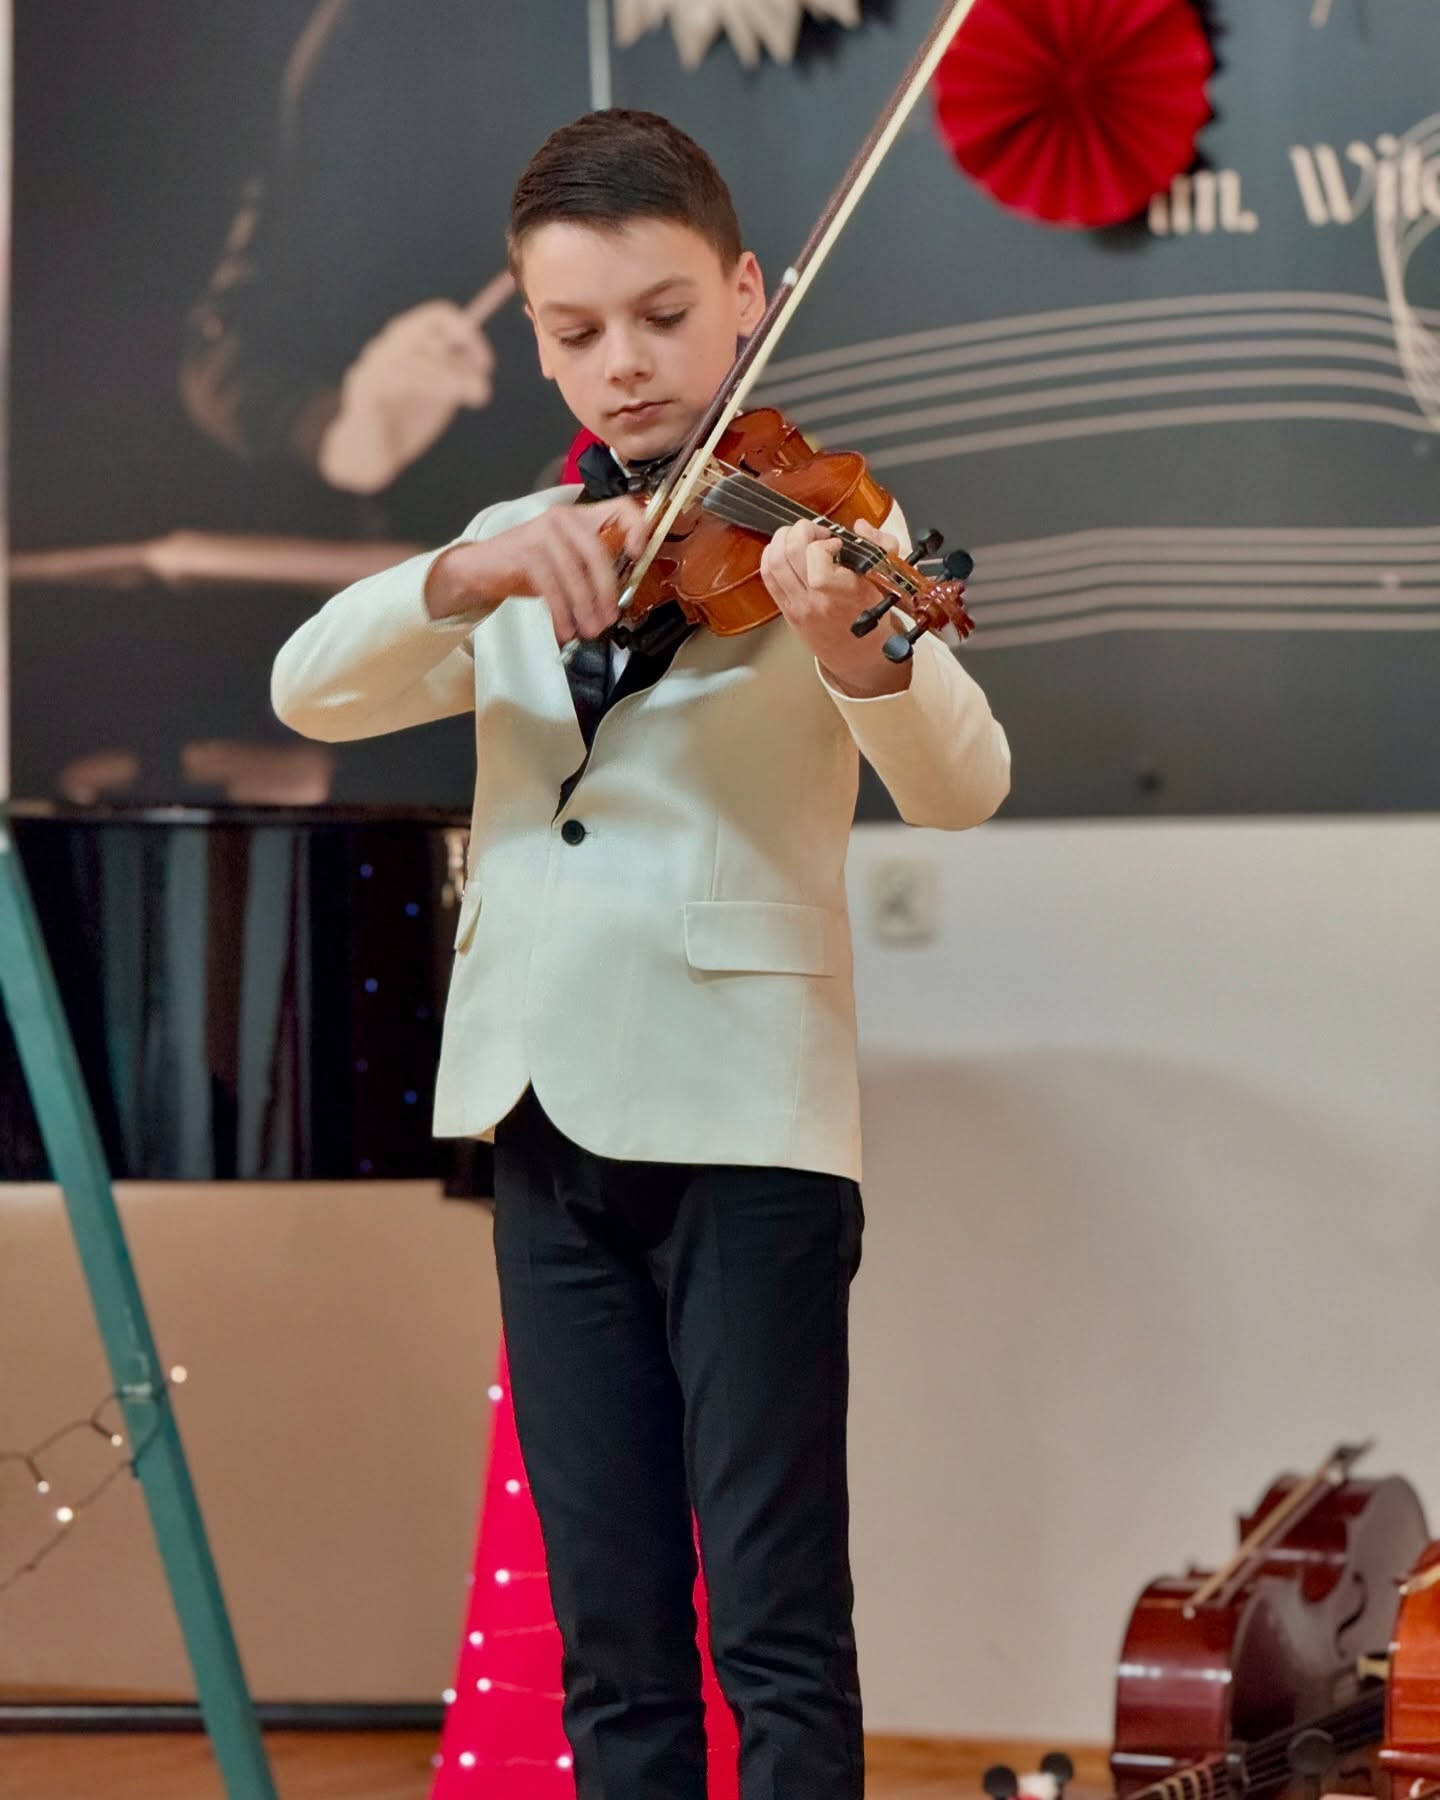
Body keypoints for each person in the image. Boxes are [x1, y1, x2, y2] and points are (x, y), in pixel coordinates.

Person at [271, 109, 1011, 1800]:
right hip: (542, 1113)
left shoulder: (830, 525)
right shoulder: (522, 536)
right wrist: (462, 574)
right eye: (576, 329)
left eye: (665, 316)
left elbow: (963, 785)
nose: (624, 365)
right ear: (536, 340)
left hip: (746, 1125)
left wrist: (862, 658)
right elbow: (310, 690)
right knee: (611, 1636)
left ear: (748, 295)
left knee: (774, 1624)